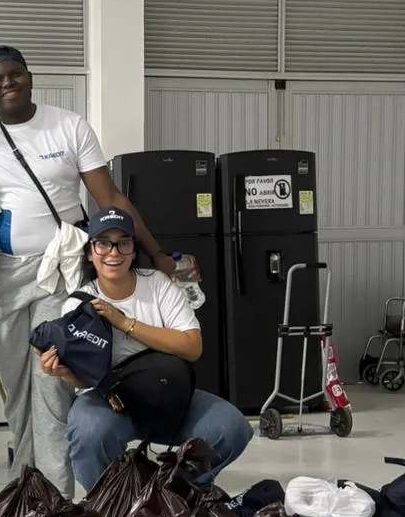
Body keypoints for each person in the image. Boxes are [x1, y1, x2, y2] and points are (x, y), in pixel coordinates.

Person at [0, 45, 185, 498]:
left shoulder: (69, 126)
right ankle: (26, 490)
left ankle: (55, 500)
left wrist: (155, 252)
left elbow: (110, 198)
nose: (8, 83)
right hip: (0, 276)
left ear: (29, 77)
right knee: (17, 391)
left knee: (50, 380)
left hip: (56, 270)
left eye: (15, 74)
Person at [40, 208, 251, 491]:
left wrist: (124, 322)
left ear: (133, 249)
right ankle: (110, 505)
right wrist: (65, 372)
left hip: (170, 397)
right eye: (103, 243)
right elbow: (83, 379)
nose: (113, 252)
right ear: (90, 252)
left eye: (123, 242)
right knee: (90, 432)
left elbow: (191, 347)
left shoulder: (158, 285)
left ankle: (178, 494)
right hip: (112, 403)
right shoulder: (78, 304)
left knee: (231, 427)